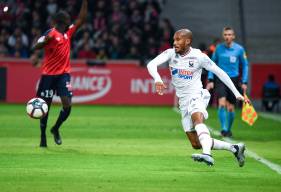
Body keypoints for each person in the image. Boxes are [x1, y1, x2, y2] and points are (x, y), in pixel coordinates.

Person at [147, 29, 249, 166]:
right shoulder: (171, 53)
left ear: (187, 41)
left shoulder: (199, 56)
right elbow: (151, 64)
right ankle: (234, 148)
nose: (175, 43)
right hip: (183, 102)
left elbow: (220, 72)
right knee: (195, 143)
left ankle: (207, 154)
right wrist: (157, 79)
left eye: (178, 40)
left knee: (197, 120)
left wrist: (236, 93)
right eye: (174, 40)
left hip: (197, 95)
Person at [30, 0, 88, 147]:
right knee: (45, 106)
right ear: (63, 21)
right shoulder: (50, 33)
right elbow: (36, 46)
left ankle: (55, 128)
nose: (71, 20)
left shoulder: (68, 33)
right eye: (68, 18)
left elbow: (81, 19)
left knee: (67, 106)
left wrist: (85, 2)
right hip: (48, 76)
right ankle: (43, 137)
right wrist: (44, 42)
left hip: (63, 75)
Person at [206, 27, 249, 137]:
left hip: (234, 80)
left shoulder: (239, 49)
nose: (227, 36)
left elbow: (245, 65)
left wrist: (244, 81)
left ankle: (228, 129)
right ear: (223, 36)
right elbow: (211, 64)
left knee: (230, 107)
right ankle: (224, 129)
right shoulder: (218, 49)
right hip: (220, 79)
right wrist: (210, 79)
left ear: (233, 36)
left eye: (230, 34)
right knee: (221, 103)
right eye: (225, 34)